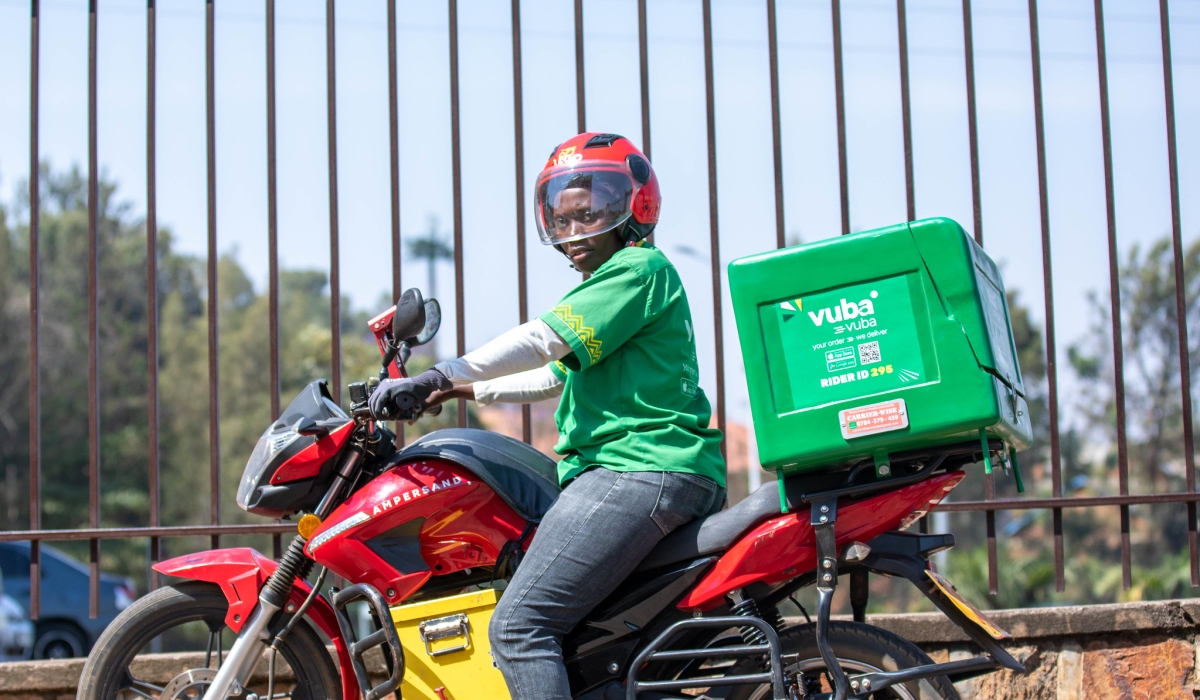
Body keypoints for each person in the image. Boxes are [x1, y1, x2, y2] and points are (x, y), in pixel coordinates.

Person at [368, 132, 726, 699]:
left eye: (590, 212)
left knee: (517, 629)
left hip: (636, 469)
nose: (574, 230)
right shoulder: (617, 295)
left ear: (634, 206)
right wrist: (459, 392)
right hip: (656, 472)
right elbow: (550, 374)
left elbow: (541, 341)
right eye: (562, 219)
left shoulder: (636, 270)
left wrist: (443, 371)